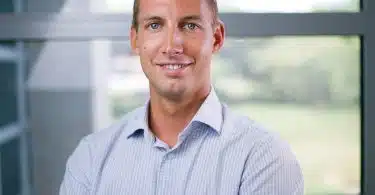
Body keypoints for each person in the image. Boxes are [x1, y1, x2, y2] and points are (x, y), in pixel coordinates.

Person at [59, 0, 304, 194]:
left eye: (190, 26)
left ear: (216, 38)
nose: (172, 46)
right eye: (155, 25)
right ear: (135, 39)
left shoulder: (264, 158)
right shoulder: (91, 157)